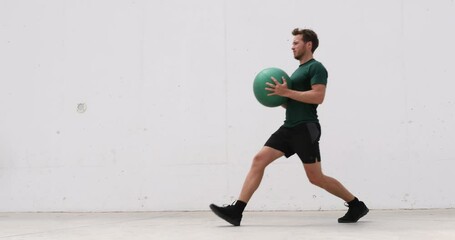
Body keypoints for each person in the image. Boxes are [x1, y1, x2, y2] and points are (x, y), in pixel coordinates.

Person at [209, 28, 369, 226]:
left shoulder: (316, 68)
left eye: (296, 43)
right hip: (289, 127)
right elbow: (293, 101)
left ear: (308, 45)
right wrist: (279, 97)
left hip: (306, 127)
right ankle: (236, 211)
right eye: (292, 43)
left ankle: (356, 205)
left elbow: (318, 96)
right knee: (259, 160)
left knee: (316, 178)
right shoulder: (296, 72)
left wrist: (288, 92)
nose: (292, 46)